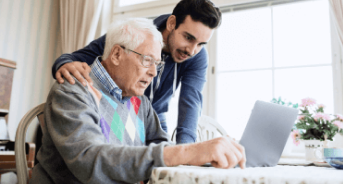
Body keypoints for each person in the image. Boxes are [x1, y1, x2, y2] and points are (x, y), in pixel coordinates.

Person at [31, 18, 246, 184]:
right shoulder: (73, 91)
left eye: (157, 64)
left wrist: (204, 156)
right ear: (116, 54)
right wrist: (186, 152)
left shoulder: (139, 102)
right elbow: (90, 161)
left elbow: (160, 146)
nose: (153, 73)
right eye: (147, 61)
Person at [52, 0, 222, 144]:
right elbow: (76, 58)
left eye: (200, 44)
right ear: (172, 23)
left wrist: (186, 151)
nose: (192, 50)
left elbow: (191, 102)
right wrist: (64, 64)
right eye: (188, 37)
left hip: (152, 116)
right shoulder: (137, 36)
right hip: (119, 108)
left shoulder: (197, 56)